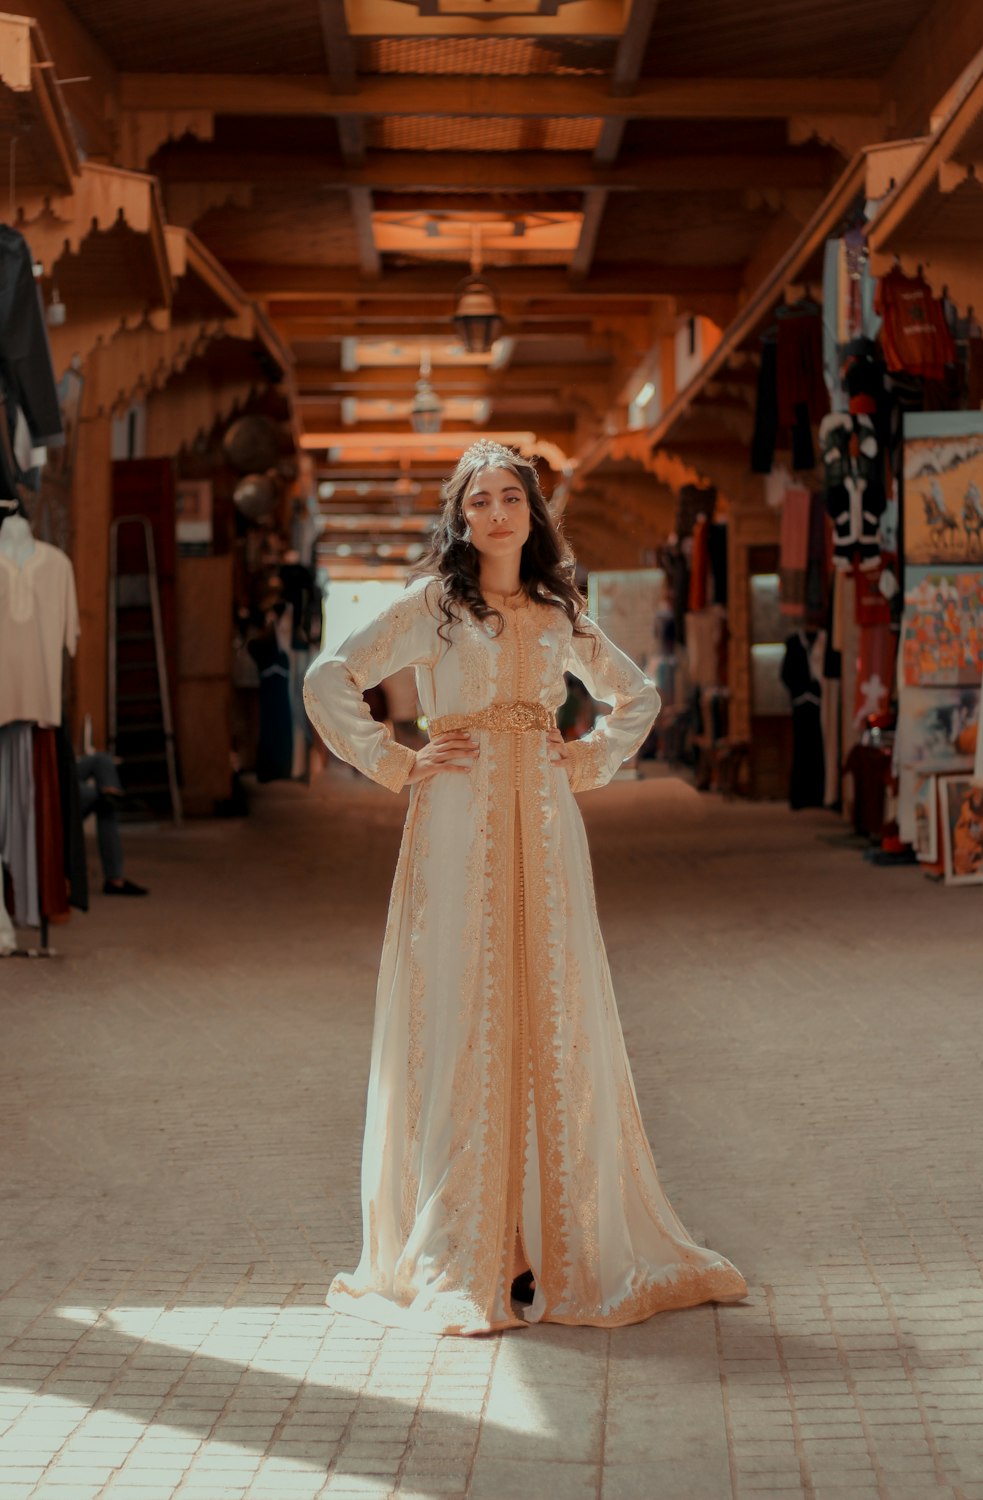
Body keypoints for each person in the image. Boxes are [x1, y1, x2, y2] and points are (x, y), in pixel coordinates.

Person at [303, 439, 746, 1335]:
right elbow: (328, 678)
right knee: (465, 1007)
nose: (498, 513)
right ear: (461, 518)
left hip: (545, 825)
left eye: (512, 497)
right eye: (480, 501)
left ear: (532, 514)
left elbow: (637, 697)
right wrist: (395, 760)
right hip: (456, 817)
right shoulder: (434, 605)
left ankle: (555, 1245)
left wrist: (583, 759)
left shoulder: (557, 611)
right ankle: (476, 1247)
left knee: (550, 1003)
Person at [76, 753, 148, 896]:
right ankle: (115, 879)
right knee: (105, 802)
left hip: (60, 769)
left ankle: (111, 796)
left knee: (102, 760)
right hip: (42, 778)